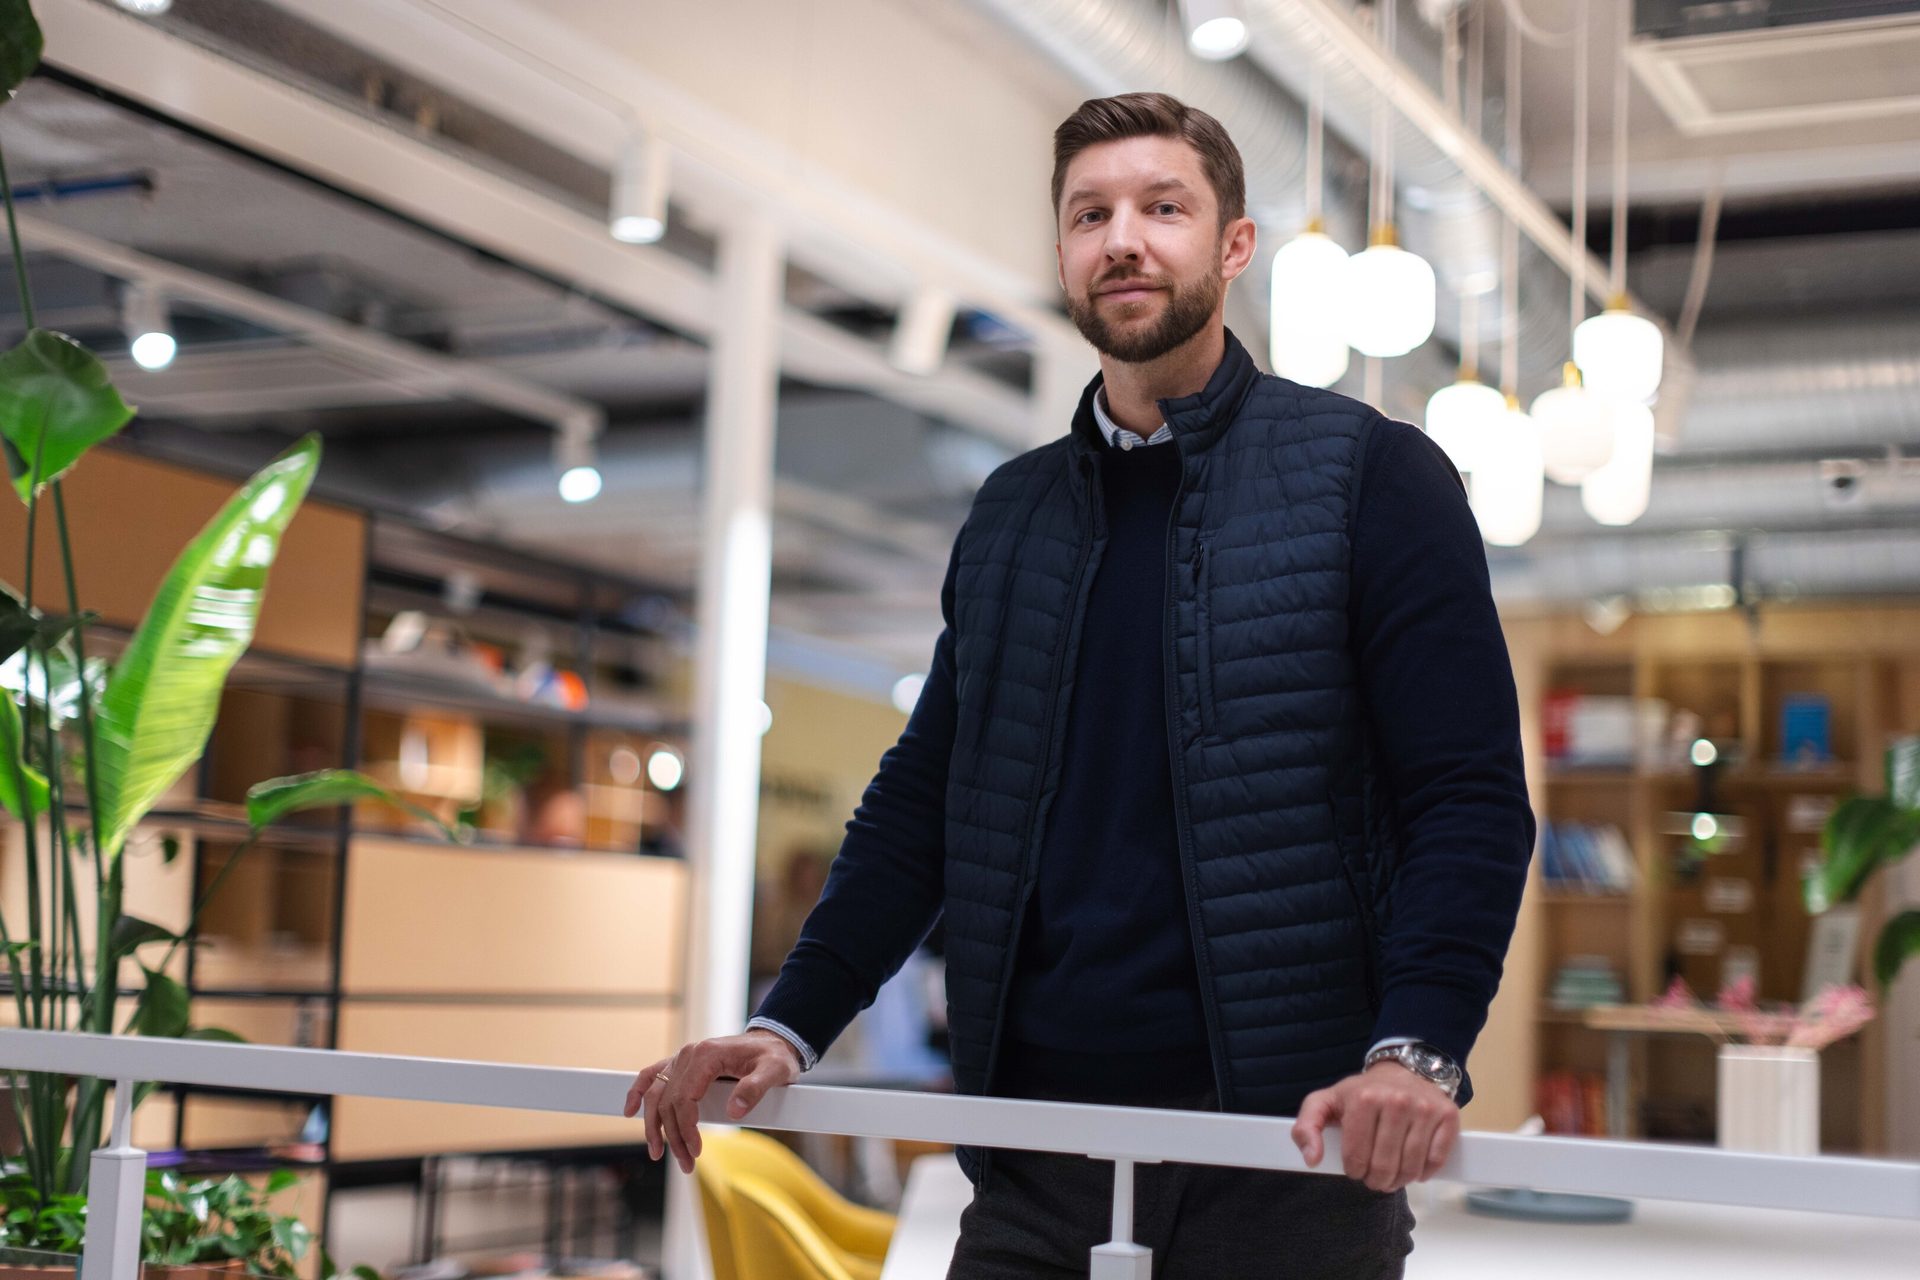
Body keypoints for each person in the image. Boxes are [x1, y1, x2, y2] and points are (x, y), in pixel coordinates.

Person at [625, 91, 1534, 1278]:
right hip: (1032, 1153)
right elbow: (925, 804)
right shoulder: (1012, 514)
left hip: (1289, 1156)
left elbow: (1468, 797)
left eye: (1165, 206)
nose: (1124, 238)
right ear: (1061, 254)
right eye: (1090, 212)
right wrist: (791, 1019)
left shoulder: (1373, 475)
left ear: (1233, 244)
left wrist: (1417, 1050)